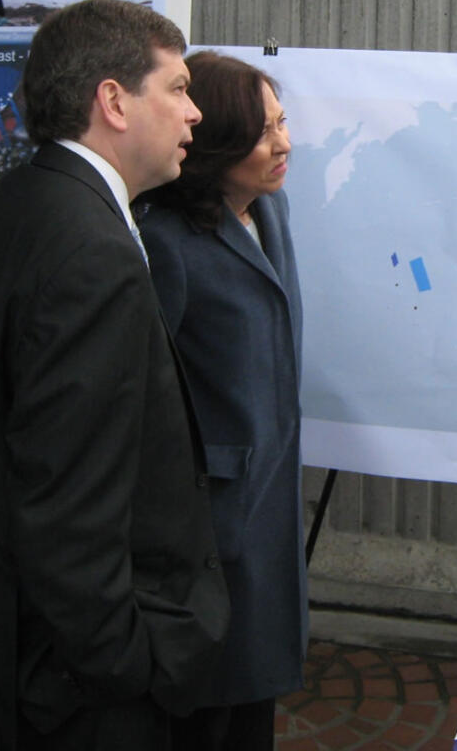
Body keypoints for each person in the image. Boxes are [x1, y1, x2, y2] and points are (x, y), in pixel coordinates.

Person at [0, 0, 230, 751]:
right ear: (113, 101)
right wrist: (128, 665)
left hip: (24, 641)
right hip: (85, 684)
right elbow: (67, 495)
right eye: (176, 88)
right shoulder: (90, 249)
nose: (193, 113)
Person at [137, 50, 305, 750]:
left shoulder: (271, 208)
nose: (283, 144)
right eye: (262, 132)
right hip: (207, 527)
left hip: (269, 507)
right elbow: (146, 398)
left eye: (283, 122)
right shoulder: (165, 240)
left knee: (253, 703)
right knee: (207, 707)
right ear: (213, 144)